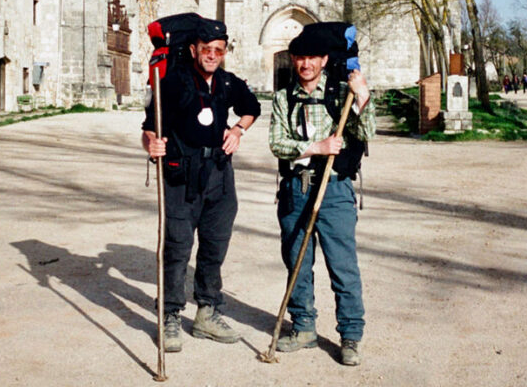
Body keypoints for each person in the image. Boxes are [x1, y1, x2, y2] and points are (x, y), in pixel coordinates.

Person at [142, 19, 261, 352]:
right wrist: (152, 144)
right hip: (181, 177)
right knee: (177, 247)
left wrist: (237, 130)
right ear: (194, 50)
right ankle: (169, 316)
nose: (212, 55)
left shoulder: (227, 83)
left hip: (220, 176)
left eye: (218, 50)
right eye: (206, 49)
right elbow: (150, 127)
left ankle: (207, 314)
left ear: (224, 53)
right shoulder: (173, 82)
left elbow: (253, 108)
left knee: (214, 247)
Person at [269, 30, 375, 366]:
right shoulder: (283, 98)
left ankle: (351, 336)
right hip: (296, 188)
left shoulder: (342, 92)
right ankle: (303, 328)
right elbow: (277, 142)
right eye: (299, 58)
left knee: (342, 265)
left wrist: (362, 99)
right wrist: (315, 148)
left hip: (335, 189)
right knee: (297, 262)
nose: (305, 64)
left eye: (312, 57)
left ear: (324, 60)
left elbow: (367, 133)